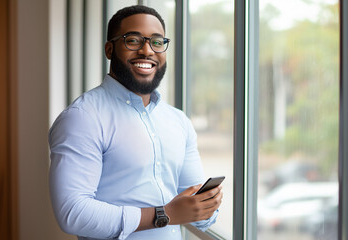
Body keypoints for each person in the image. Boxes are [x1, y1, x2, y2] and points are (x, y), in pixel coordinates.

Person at [48, 5, 223, 240]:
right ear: (110, 49)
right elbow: (72, 213)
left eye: (157, 42)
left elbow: (199, 216)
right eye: (133, 40)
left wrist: (206, 205)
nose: (147, 51)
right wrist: (165, 214)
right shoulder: (82, 118)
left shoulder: (178, 121)